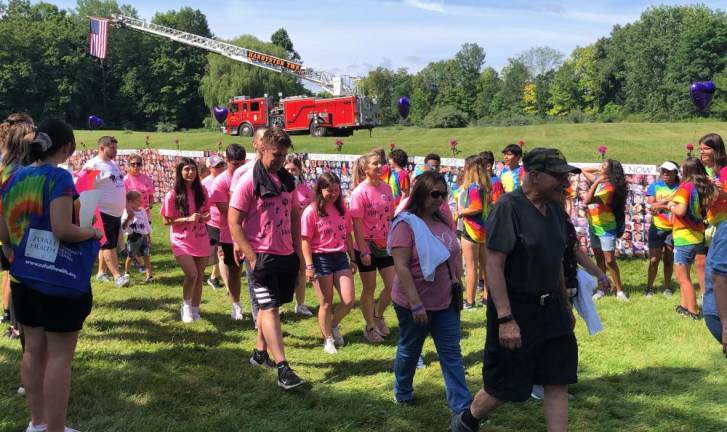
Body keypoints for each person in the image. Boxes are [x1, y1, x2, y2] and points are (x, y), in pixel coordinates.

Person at [451, 148, 581, 432]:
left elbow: (556, 260)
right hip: (516, 310)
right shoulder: (509, 208)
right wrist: (506, 318)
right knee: (505, 386)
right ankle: (467, 420)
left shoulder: (556, 210)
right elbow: (494, 266)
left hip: (553, 311)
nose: (564, 182)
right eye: (558, 176)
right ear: (533, 176)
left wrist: (564, 303)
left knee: (557, 379)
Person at [0, 118, 102, 432]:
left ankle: (37, 422)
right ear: (67, 148)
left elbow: (4, 235)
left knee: (33, 349)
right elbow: (63, 230)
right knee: (60, 357)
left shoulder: (11, 179)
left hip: (22, 277)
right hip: (57, 280)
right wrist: (92, 232)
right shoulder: (58, 178)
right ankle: (56, 429)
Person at [389, 171, 471, 413]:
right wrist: (415, 304)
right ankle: (402, 393)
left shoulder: (444, 220)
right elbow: (401, 266)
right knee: (410, 349)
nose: (440, 199)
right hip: (414, 303)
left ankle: (462, 408)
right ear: (421, 193)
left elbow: (453, 254)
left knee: (451, 354)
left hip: (445, 302)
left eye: (443, 194)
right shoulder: (405, 223)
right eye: (435, 194)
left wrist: (457, 279)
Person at [228, 127, 304, 390]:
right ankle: (283, 368)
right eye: (276, 155)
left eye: (284, 155)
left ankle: (260, 354)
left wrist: (297, 251)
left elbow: (294, 215)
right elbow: (233, 221)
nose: (281, 160)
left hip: (285, 254)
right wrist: (252, 257)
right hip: (261, 257)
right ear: (261, 149)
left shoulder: (286, 181)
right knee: (269, 309)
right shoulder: (249, 180)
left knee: (272, 307)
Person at [301, 172, 357, 354]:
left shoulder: (342, 209)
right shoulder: (311, 211)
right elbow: (305, 241)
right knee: (326, 302)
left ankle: (333, 325)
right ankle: (328, 340)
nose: (333, 194)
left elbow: (348, 235)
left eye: (336, 190)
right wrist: (309, 266)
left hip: (340, 257)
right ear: (320, 190)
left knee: (348, 299)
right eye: (329, 190)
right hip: (320, 258)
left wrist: (353, 258)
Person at [350, 150, 396, 343]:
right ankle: (369, 327)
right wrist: (364, 250)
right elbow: (357, 225)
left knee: (393, 286)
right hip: (366, 245)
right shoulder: (359, 192)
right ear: (365, 168)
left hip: (385, 244)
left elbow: (390, 217)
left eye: (381, 163)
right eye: (375, 164)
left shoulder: (387, 189)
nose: (380, 167)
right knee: (369, 287)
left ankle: (378, 316)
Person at [160, 157, 211, 323]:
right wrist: (187, 219)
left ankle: (195, 310)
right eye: (186, 169)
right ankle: (186, 307)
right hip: (181, 240)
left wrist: (205, 217)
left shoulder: (202, 191)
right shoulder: (172, 194)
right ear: (180, 172)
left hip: (201, 237)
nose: (190, 172)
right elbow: (166, 220)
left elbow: (207, 212)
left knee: (200, 275)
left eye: (193, 169)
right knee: (192, 274)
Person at [0, 113, 34, 329]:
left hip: (12, 237)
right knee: (19, 281)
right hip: (19, 237)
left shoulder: (9, 169)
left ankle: (16, 323)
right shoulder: (17, 172)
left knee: (14, 278)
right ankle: (16, 324)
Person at [669, 158, 715, 318]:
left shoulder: (685, 187)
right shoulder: (703, 188)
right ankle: (684, 305)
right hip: (698, 236)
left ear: (686, 171)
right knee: (689, 272)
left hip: (684, 237)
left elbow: (680, 211)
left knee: (683, 277)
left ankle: (693, 311)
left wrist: (671, 206)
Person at [84, 136, 129, 288]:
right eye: (112, 148)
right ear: (102, 147)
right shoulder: (92, 165)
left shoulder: (112, 164)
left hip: (115, 213)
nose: (115, 151)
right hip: (102, 211)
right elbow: (85, 188)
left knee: (108, 243)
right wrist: (89, 213)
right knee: (108, 245)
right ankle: (118, 277)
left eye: (116, 148)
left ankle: (101, 273)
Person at [209, 144, 247, 321]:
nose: (239, 168)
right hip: (230, 233)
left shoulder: (250, 176)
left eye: (242, 163)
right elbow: (228, 212)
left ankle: (263, 307)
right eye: (235, 164)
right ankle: (236, 305)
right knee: (234, 270)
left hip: (254, 232)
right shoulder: (220, 183)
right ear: (227, 161)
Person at [582, 159, 628, 300]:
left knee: (609, 260)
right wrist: (599, 171)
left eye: (604, 166)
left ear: (610, 171)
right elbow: (584, 170)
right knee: (599, 260)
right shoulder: (600, 179)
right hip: (594, 225)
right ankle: (602, 288)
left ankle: (619, 291)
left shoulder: (610, 188)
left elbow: (587, 201)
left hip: (606, 228)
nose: (601, 167)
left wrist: (597, 181)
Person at [456, 156, 491, 309]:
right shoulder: (483, 186)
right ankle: (486, 298)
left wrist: (461, 211)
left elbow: (476, 207)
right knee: (485, 266)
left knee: (471, 267)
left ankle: (469, 301)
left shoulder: (473, 187)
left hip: (471, 229)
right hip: (483, 230)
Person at [645, 161, 680, 297]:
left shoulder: (681, 187)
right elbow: (651, 206)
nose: (664, 173)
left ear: (675, 172)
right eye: (663, 171)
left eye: (668, 171)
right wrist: (666, 203)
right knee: (654, 260)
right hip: (657, 228)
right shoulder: (654, 186)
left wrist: (659, 205)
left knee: (668, 260)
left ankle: (667, 287)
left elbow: (655, 206)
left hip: (673, 229)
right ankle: (649, 287)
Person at [285, 154, 314, 317]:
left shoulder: (306, 189)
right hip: (283, 233)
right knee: (285, 270)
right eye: (287, 169)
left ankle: (300, 304)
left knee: (301, 269)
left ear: (299, 171)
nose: (290, 172)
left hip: (301, 234)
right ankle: (279, 302)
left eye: (294, 170)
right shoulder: (279, 187)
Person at [203, 155, 226, 290]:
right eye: (216, 166)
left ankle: (213, 277)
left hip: (226, 220)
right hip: (213, 221)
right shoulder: (205, 183)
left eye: (221, 165)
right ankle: (215, 278)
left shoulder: (226, 179)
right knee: (220, 251)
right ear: (209, 168)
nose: (220, 168)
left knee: (222, 251)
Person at [121, 191, 153, 283]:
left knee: (146, 256)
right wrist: (128, 219)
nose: (141, 202)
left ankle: (149, 276)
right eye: (138, 201)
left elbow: (146, 224)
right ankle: (127, 272)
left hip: (143, 237)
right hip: (133, 238)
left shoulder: (142, 210)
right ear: (130, 202)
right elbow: (123, 228)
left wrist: (149, 237)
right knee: (131, 256)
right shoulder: (126, 212)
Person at [123, 154, 154, 221]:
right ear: (129, 165)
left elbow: (151, 195)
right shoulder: (125, 180)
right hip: (132, 216)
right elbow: (123, 198)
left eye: (138, 164)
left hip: (145, 215)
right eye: (133, 164)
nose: (136, 166)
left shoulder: (146, 178)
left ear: (141, 165)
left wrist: (150, 204)